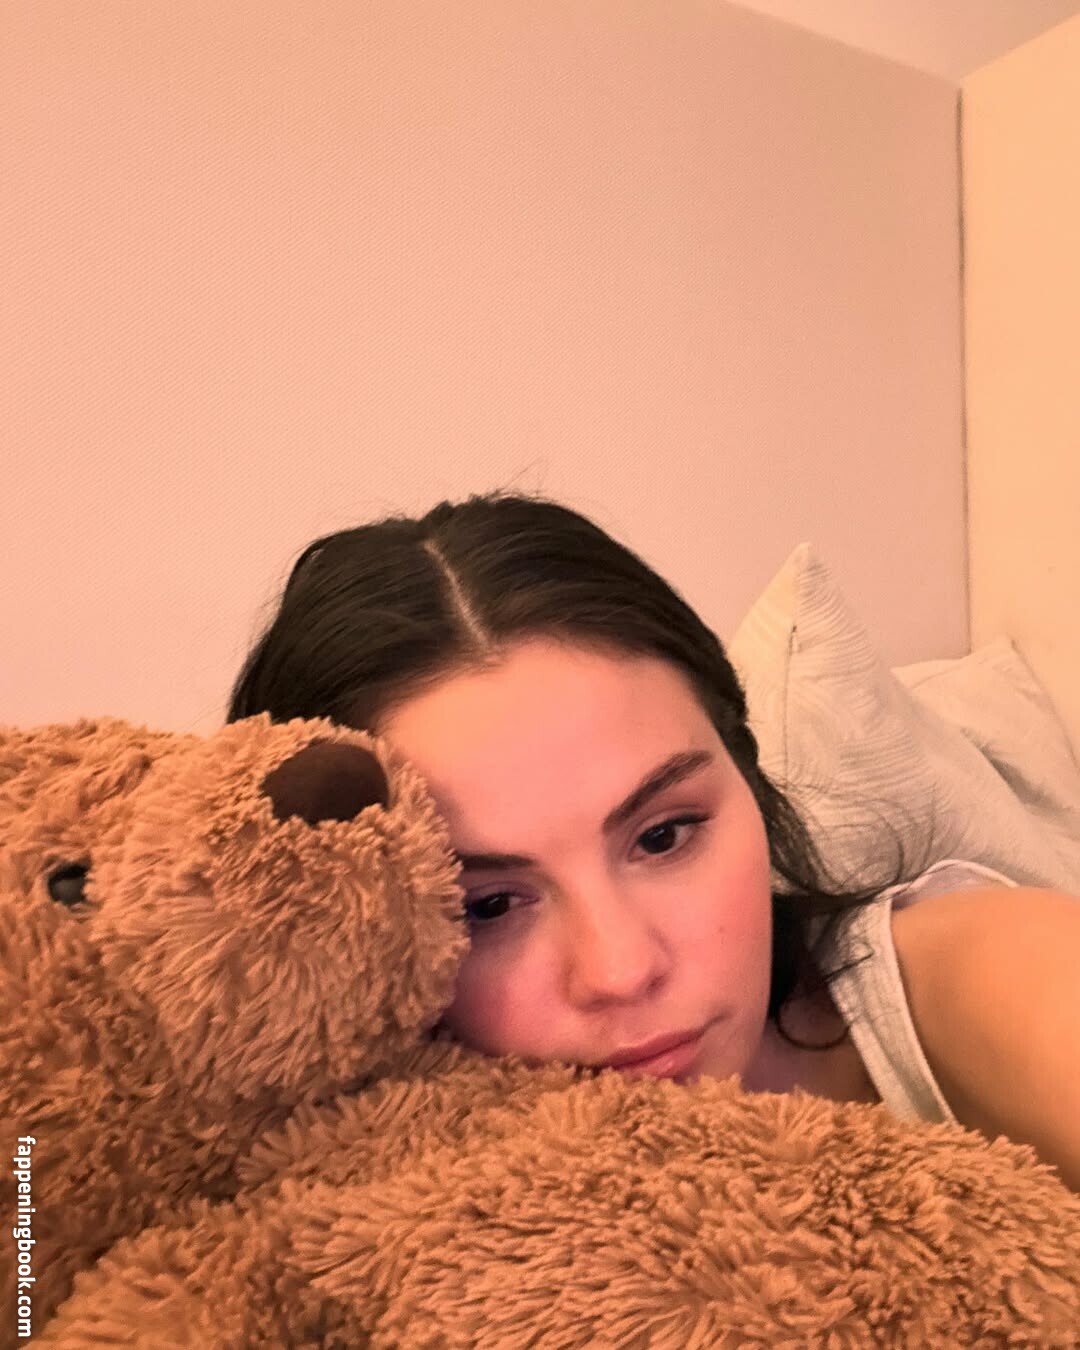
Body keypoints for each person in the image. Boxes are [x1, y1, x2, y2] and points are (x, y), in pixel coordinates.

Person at [225, 488, 1003, 1116]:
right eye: (485, 907)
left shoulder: (964, 981)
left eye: (664, 837)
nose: (622, 970)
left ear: (747, 776)